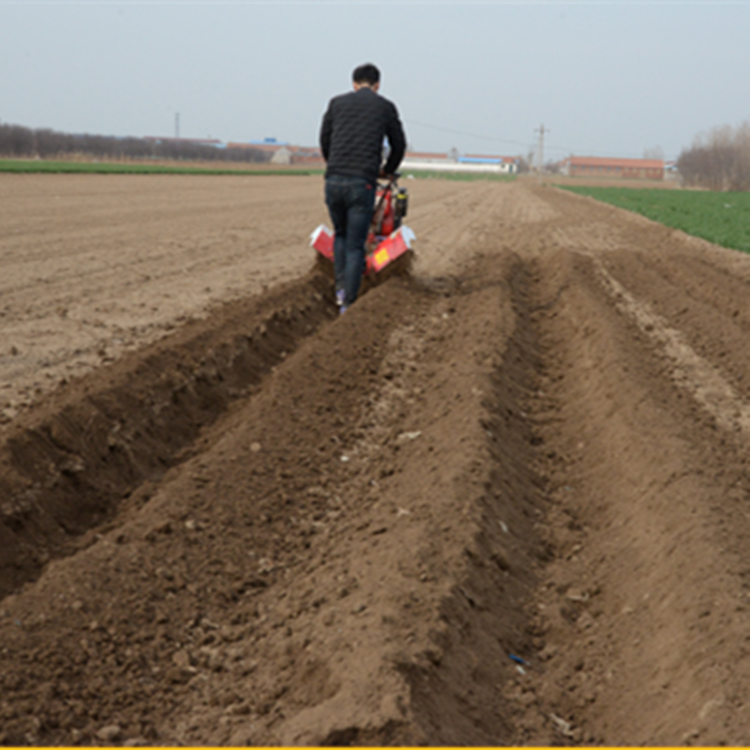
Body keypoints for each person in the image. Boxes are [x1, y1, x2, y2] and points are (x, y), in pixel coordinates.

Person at [319, 63, 406, 313]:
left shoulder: (336, 103)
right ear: (377, 85)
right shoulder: (385, 107)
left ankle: (339, 291)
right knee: (357, 244)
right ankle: (348, 303)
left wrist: (334, 162)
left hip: (334, 179)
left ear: (354, 84)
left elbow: (325, 138)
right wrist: (388, 169)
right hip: (362, 181)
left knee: (341, 236)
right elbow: (398, 145)